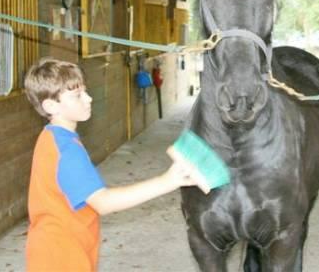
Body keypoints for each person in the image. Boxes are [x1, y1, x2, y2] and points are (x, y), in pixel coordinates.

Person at [23, 57, 197, 271]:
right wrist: (168, 181)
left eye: (85, 91)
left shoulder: (51, 136)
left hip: (53, 251)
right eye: (77, 95)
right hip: (63, 259)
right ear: (51, 106)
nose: (88, 99)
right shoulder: (67, 150)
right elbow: (103, 202)